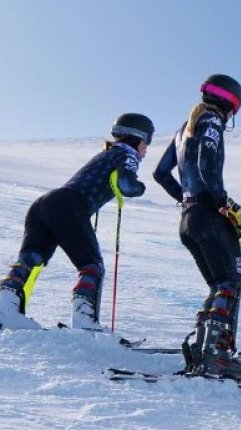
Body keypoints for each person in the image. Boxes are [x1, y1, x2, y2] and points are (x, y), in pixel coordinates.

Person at [0, 113, 152, 331]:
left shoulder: (106, 153)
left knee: (31, 259)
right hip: (69, 206)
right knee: (92, 266)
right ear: (137, 137)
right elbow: (127, 185)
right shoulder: (127, 154)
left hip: (44, 205)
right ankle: (84, 322)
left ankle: (5, 309)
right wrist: (140, 188)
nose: (146, 148)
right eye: (147, 141)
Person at [153, 74, 241, 380]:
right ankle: (216, 356)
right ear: (231, 104)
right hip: (208, 215)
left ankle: (204, 349)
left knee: (220, 284)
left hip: (189, 218)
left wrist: (188, 200)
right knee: (229, 282)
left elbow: (161, 173)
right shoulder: (210, 122)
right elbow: (206, 165)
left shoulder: (184, 127)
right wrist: (225, 203)